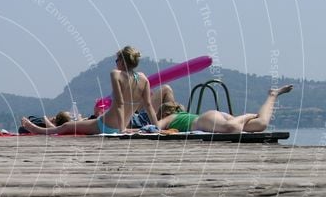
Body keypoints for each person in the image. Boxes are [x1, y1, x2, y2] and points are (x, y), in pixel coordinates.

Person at [21, 46, 158, 135]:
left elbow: (120, 103)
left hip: (106, 124)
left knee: (67, 126)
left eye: (117, 60)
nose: (115, 63)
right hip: (120, 125)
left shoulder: (116, 74)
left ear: (122, 61)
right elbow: (148, 105)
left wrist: (122, 130)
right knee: (71, 126)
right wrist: (157, 127)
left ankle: (37, 129)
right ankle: (44, 127)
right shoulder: (143, 78)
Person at [156, 84, 293, 133]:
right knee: (261, 124)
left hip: (204, 120)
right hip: (214, 119)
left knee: (231, 128)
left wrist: (137, 130)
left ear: (165, 112)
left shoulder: (170, 117)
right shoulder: (178, 116)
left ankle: (246, 115)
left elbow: (155, 128)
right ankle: (273, 95)